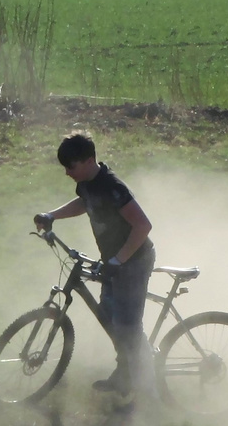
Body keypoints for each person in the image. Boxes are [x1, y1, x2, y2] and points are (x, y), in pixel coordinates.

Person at [33, 133, 155, 399]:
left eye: (71, 167)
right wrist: (52, 215)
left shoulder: (113, 187)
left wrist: (119, 260)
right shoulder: (87, 183)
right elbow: (83, 204)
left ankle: (148, 388)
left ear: (89, 161)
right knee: (110, 316)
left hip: (133, 261)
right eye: (64, 167)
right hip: (114, 262)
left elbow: (143, 226)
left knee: (126, 326)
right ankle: (126, 372)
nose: (67, 173)